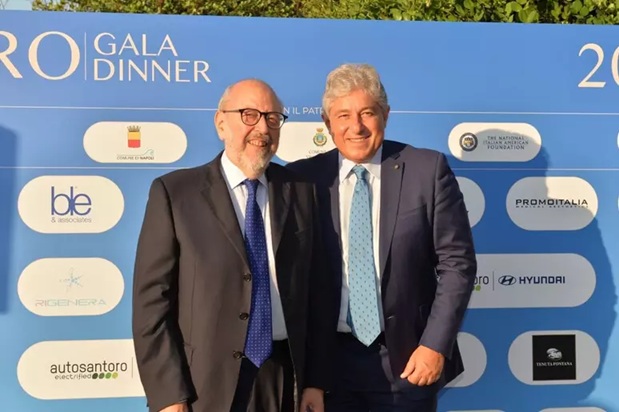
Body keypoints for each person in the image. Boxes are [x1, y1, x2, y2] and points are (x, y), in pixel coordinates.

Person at [132, 78, 334, 412]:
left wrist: (315, 381)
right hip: (202, 386)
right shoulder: (175, 194)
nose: (263, 128)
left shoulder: (301, 192)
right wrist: (168, 395)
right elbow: (152, 304)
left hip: (284, 382)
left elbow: (318, 294)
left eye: (273, 118)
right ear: (221, 123)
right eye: (249, 115)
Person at [287, 63, 477, 412]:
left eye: (367, 113)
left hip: (408, 363)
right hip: (327, 367)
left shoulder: (427, 170)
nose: (356, 126)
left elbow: (458, 265)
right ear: (327, 123)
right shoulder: (300, 179)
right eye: (343, 115)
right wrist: (310, 375)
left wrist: (435, 345)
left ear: (385, 116)